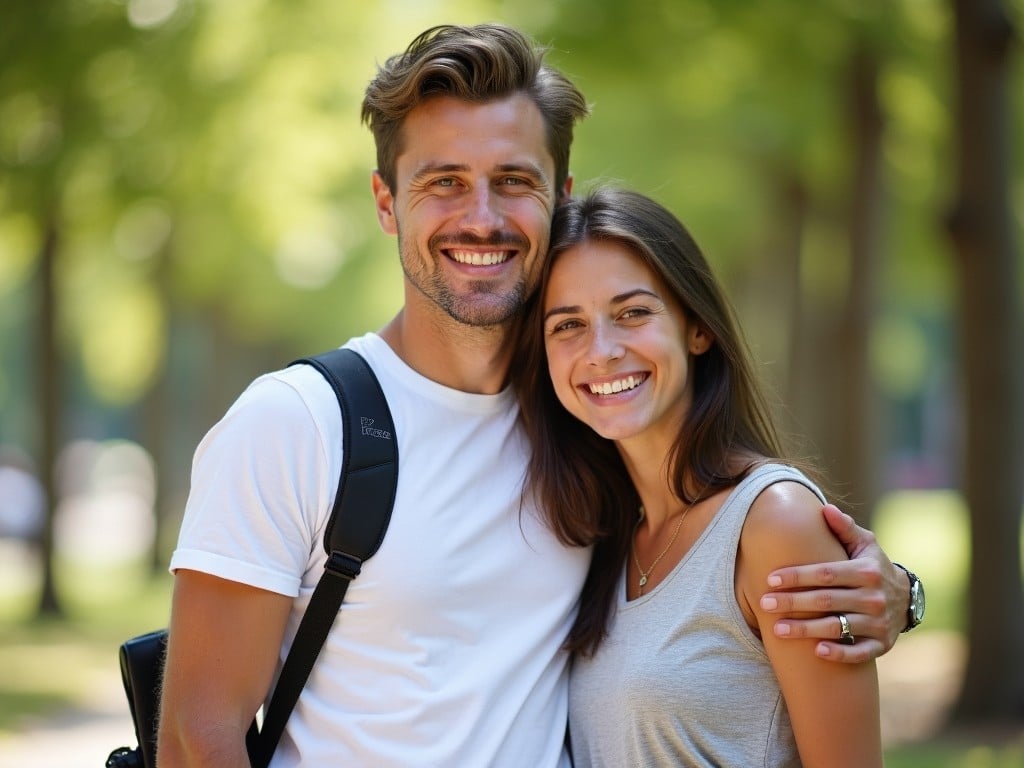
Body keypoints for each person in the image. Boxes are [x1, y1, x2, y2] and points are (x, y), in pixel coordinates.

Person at [158, 24, 920, 767]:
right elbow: (198, 740)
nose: (481, 217)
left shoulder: (587, 422)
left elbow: (720, 562)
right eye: (444, 182)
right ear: (387, 203)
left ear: (559, 196)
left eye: (513, 181)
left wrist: (894, 595)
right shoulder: (295, 424)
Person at [514, 186, 887, 766]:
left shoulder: (775, 523)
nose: (602, 350)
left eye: (632, 313)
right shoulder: (602, 540)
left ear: (697, 328)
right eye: (568, 325)